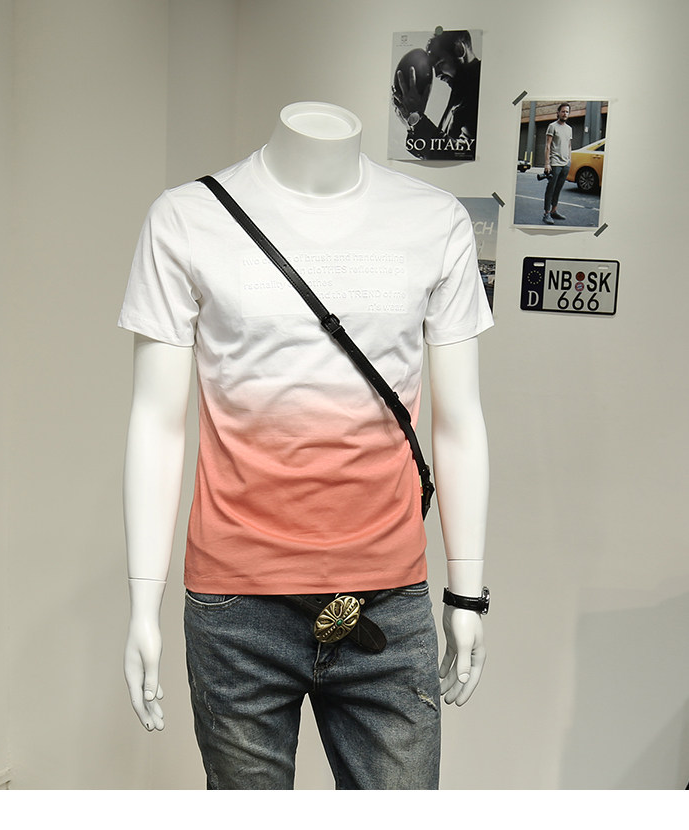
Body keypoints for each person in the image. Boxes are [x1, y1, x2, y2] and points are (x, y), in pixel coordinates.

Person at [119, 102, 493, 790]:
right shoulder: (186, 219)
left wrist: (466, 593)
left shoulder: (434, 221)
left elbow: (459, 419)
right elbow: (156, 421)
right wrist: (144, 600)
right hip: (238, 608)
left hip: (387, 599)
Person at [393, 29, 481, 160]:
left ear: (459, 50)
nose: (437, 74)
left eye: (439, 63)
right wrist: (412, 122)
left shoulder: (477, 89)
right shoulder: (462, 91)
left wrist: (418, 120)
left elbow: (462, 154)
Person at [542, 103, 572, 224]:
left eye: (567, 112)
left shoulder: (569, 129)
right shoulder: (552, 126)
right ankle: (546, 213)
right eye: (563, 111)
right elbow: (548, 145)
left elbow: (569, 145)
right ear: (558, 113)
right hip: (555, 163)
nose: (565, 114)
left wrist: (569, 159)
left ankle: (554, 211)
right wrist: (547, 163)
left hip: (565, 163)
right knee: (551, 188)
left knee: (558, 188)